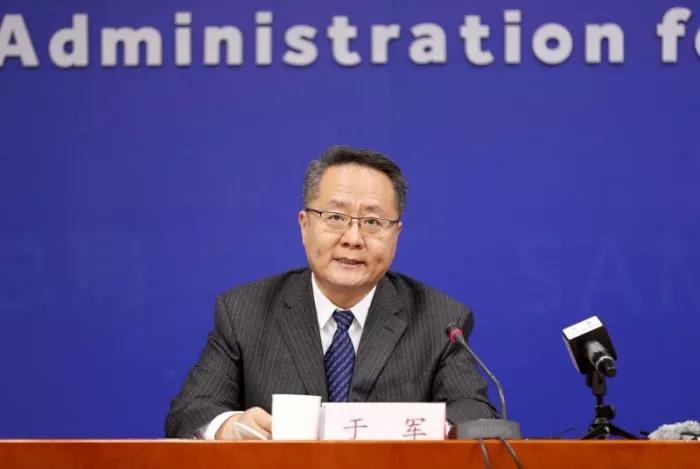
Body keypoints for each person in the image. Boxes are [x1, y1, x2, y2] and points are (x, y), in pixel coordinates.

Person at [165, 145, 496, 439]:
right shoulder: (244, 312)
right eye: (335, 217)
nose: (353, 238)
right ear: (304, 225)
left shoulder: (440, 321)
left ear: (396, 234)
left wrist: (433, 432)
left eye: (372, 222)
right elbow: (191, 412)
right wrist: (228, 426)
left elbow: (475, 416)